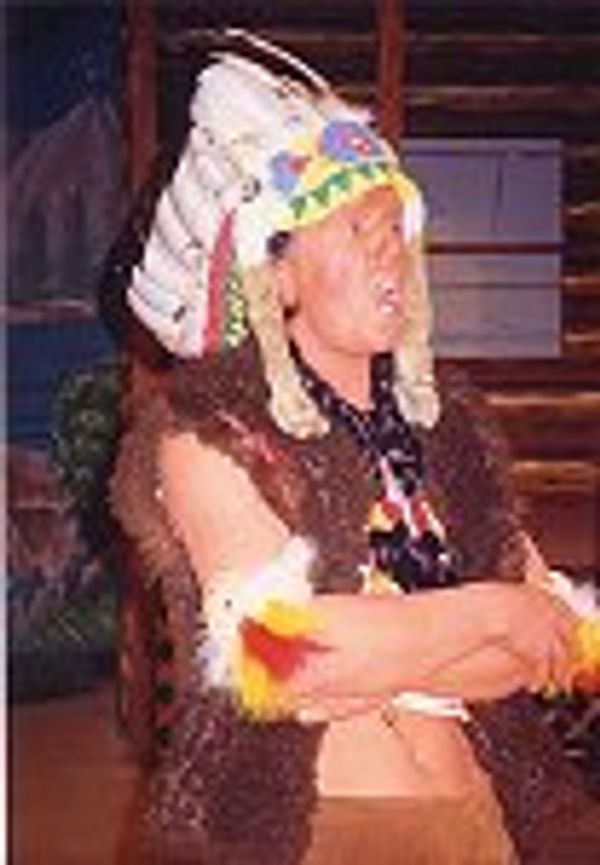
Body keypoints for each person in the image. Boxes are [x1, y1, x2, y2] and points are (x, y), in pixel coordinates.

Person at [111, 34, 599, 865]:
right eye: (354, 225)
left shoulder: (450, 430)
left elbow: (557, 638)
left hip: (488, 820)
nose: (390, 248)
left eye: (396, 226)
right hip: (325, 834)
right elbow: (284, 661)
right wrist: (488, 613)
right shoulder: (208, 434)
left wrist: (379, 642)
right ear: (276, 273)